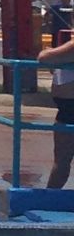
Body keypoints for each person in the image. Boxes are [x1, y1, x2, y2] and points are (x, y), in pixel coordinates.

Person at [38, 35, 74, 188]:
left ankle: (49, 201)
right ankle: (49, 201)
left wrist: (50, 52)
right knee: (61, 161)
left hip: (70, 108)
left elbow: (44, 57)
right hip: (67, 109)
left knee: (61, 162)